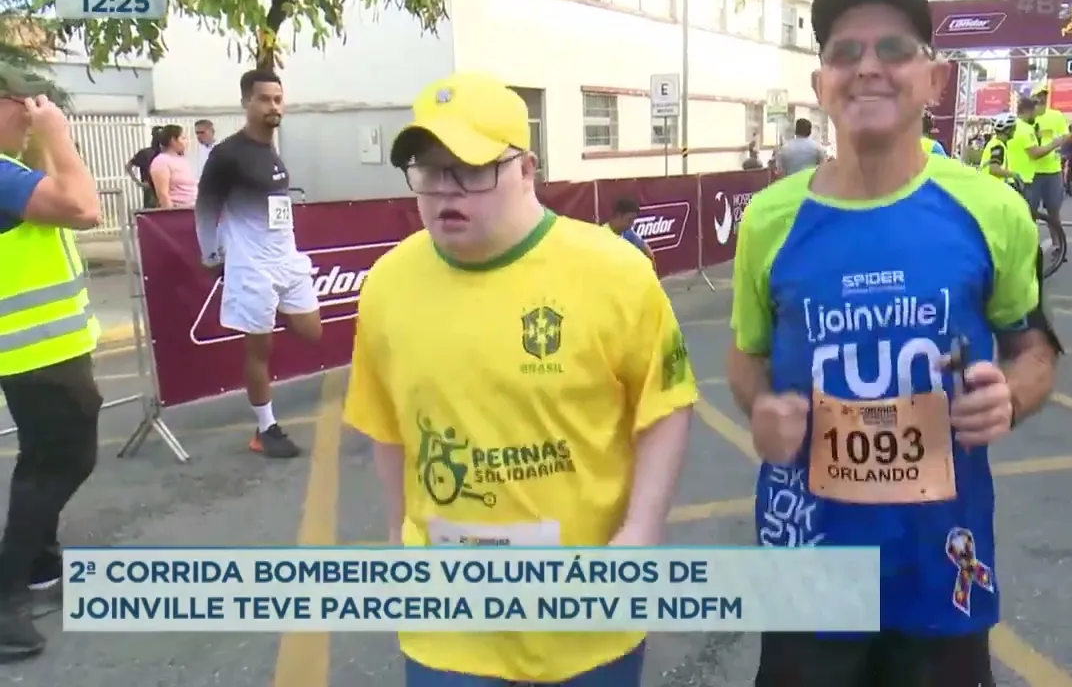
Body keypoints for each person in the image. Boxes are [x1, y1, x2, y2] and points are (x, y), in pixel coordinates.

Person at [729, 0, 1062, 684]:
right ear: (821, 84)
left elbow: (1033, 352)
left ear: (934, 79)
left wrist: (1010, 394)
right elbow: (745, 356)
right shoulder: (770, 218)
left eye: (893, 48)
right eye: (845, 53)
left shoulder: (993, 209)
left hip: (941, 556)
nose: (868, 67)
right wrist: (760, 408)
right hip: (807, 557)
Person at [348, 71, 697, 686]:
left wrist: (641, 531)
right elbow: (386, 427)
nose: (446, 191)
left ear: (528, 169)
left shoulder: (615, 272)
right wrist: (396, 539)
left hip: (587, 626)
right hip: (448, 630)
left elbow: (665, 404)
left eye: (471, 169)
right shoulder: (386, 284)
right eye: (429, 171)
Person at [0, 65, 103, 659]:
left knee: (42, 459)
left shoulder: (12, 172)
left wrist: (40, 140)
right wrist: (57, 132)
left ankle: (39, 565)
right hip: (36, 351)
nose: (33, 112)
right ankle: (7, 586)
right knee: (64, 461)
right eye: (26, 103)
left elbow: (50, 200)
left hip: (41, 347)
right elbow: (84, 208)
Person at [195, 69, 321, 459]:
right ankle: (265, 429)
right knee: (259, 350)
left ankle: (263, 317)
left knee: (311, 330)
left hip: (286, 259)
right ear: (246, 102)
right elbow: (205, 208)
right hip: (252, 266)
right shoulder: (227, 154)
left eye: (278, 99)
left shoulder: (272, 151)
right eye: (264, 99)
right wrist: (212, 256)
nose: (273, 106)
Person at [1029, 87, 1068, 237]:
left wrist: (1058, 145)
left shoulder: (1056, 116)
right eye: (1038, 95)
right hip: (1032, 173)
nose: (1042, 98)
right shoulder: (1029, 118)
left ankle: (1058, 245)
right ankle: (1032, 248)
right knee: (1030, 213)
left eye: (1044, 95)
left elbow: (1064, 136)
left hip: (1053, 171)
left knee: (1054, 211)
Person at [149, 124, 198, 209]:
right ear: (173, 140)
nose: (186, 141)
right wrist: (171, 215)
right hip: (179, 210)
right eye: (183, 138)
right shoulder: (161, 161)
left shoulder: (183, 160)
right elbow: (163, 194)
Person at [605, 196, 657, 267]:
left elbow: (649, 254)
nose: (632, 224)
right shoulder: (603, 235)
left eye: (633, 220)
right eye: (629, 220)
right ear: (618, 215)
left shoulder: (628, 233)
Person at [978, 113, 1023, 191]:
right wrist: (1013, 175)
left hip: (989, 186)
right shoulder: (998, 147)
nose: (1014, 130)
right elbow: (994, 169)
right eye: (1013, 128)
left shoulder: (995, 143)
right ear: (1007, 130)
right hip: (993, 188)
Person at [127, 126, 162, 210]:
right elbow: (129, 166)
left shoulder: (167, 152)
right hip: (150, 191)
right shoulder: (145, 153)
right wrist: (139, 182)